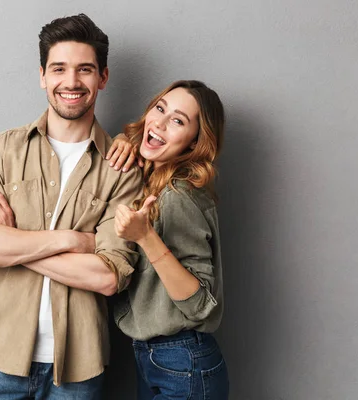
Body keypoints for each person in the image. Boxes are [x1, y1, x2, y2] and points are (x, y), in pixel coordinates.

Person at [0, 14, 142, 399]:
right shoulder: (4, 150)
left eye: (84, 70)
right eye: (59, 69)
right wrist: (72, 240)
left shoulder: (121, 168)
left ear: (102, 78)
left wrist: (11, 244)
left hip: (78, 368)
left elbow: (106, 276)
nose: (71, 82)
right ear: (42, 76)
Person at [107, 79, 229, 399]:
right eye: (159, 108)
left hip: (182, 358)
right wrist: (123, 141)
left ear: (193, 143)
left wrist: (146, 237)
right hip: (157, 357)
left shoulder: (178, 195)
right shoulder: (151, 181)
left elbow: (200, 303)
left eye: (177, 121)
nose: (159, 122)